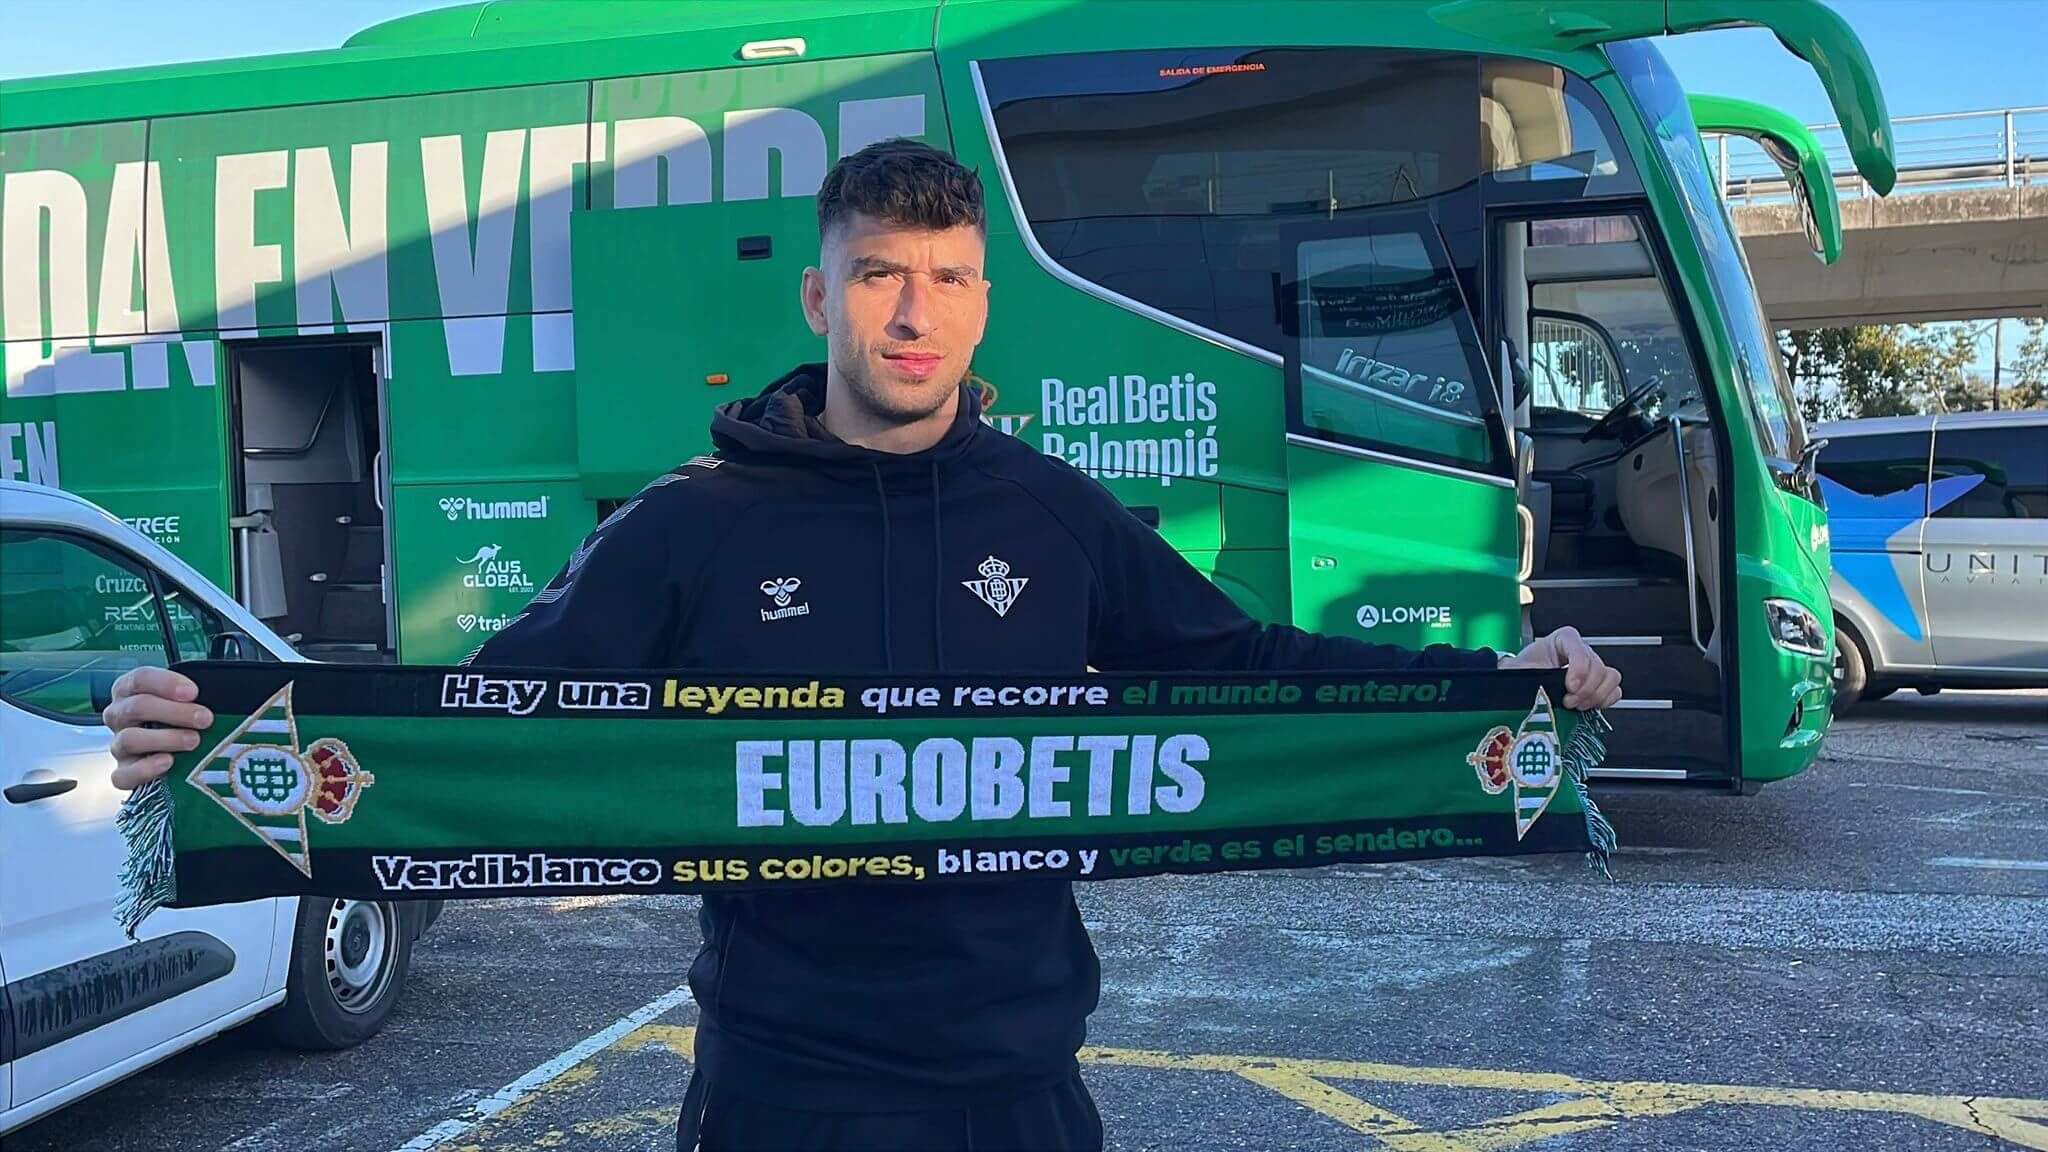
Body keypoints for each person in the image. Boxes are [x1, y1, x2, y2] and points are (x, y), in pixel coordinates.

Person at [105, 139, 1622, 1151]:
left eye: (949, 279)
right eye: (884, 275)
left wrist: (1511, 692)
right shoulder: (691, 525)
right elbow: (492, 721)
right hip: (780, 1093)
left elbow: (1249, 672)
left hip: (1020, 1093)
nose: (916, 312)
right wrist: (229, 731)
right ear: (825, 293)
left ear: (982, 309)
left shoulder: (1055, 513)